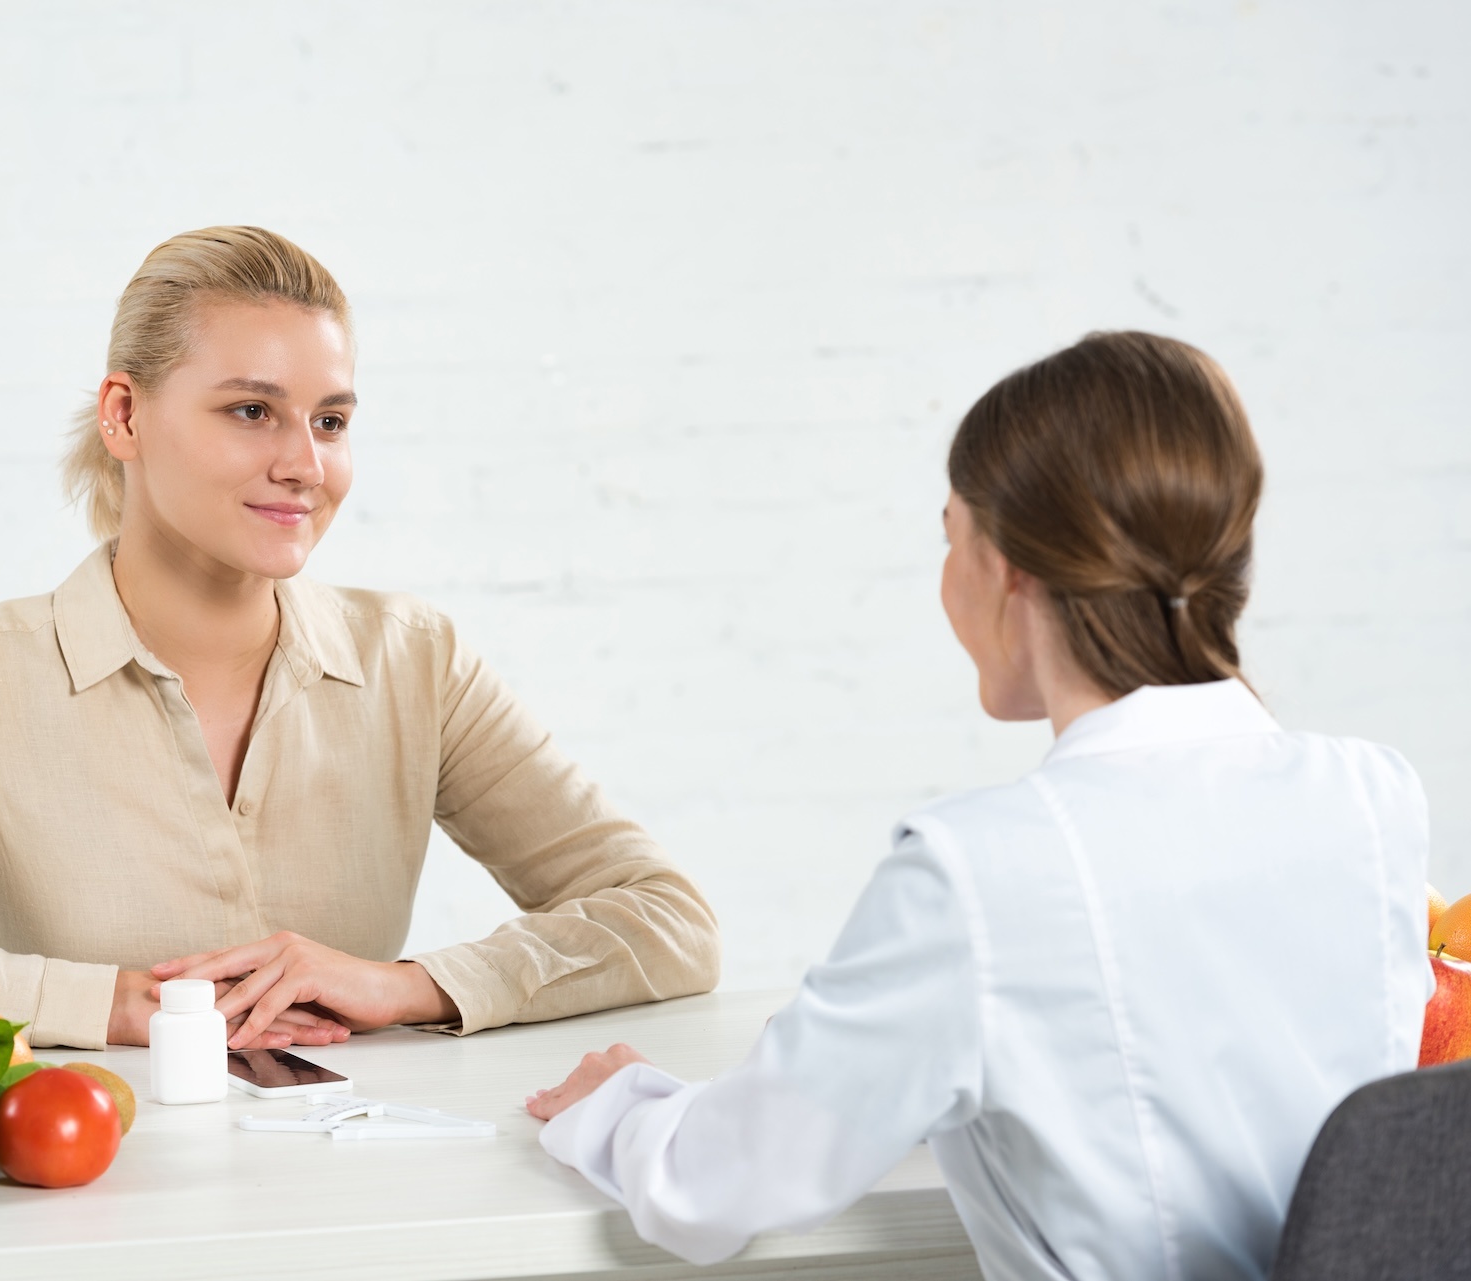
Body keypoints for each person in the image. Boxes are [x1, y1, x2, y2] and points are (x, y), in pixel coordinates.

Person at [527, 332, 1430, 1280]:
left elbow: (712, 1187)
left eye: (949, 535)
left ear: (1006, 569)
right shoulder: (1375, 799)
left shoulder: (981, 873)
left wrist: (615, 1105)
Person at [0, 226, 720, 1052]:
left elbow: (668, 919)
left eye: (331, 422)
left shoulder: (417, 662)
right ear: (124, 416)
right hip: (90, 1192)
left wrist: (405, 985)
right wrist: (105, 1003)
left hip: (366, 1189)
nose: (304, 464)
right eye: (252, 411)